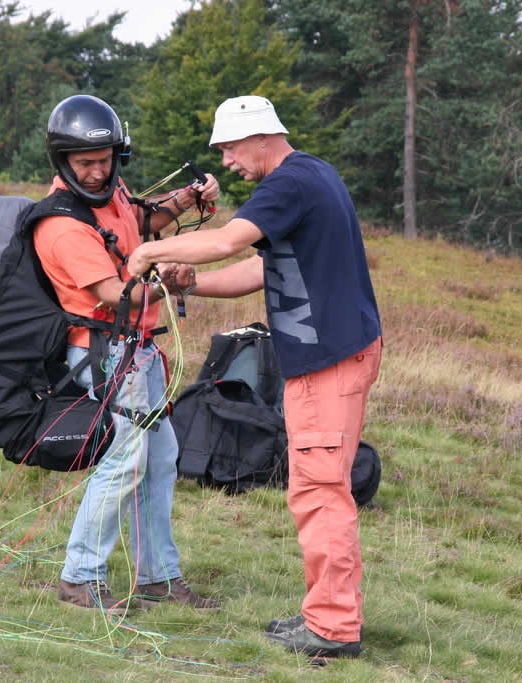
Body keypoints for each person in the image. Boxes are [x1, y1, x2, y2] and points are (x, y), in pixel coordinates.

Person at [127, 95, 382, 659]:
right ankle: (325, 613)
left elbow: (226, 241)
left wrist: (147, 251)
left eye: (230, 148)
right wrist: (190, 284)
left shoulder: (290, 183)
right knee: (315, 487)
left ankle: (333, 628)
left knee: (321, 492)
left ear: (261, 136)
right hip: (332, 354)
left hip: (329, 360)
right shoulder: (310, 176)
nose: (227, 161)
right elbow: (261, 269)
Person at [34, 94, 221, 616]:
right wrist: (169, 283)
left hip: (139, 351)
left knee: (159, 459)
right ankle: (80, 577)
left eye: (105, 160)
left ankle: (157, 577)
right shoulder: (61, 225)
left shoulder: (108, 191)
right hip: (103, 353)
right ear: (63, 161)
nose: (97, 172)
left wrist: (186, 199)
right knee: (123, 460)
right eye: (85, 163)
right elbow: (117, 295)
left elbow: (136, 222)